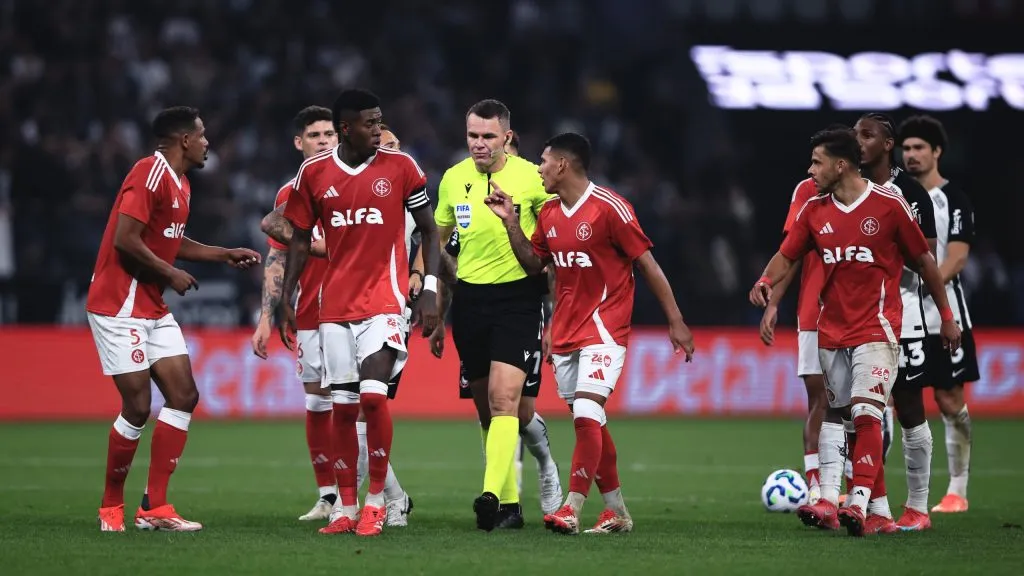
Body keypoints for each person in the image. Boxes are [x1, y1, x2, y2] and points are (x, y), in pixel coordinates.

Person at [750, 126, 960, 537]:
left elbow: (925, 261)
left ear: (840, 164)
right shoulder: (814, 211)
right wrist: (764, 281)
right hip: (832, 329)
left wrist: (947, 316)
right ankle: (833, 499)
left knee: (868, 412)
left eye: (817, 162)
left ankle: (859, 502)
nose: (811, 170)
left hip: (877, 328)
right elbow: (785, 255)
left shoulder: (889, 206)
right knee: (836, 414)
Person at [484, 132, 695, 534]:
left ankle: (572, 506)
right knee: (591, 420)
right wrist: (511, 222)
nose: (539, 168)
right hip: (565, 332)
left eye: (544, 161)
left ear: (562, 164)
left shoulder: (610, 208)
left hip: (605, 327)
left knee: (586, 413)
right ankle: (616, 511)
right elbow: (535, 265)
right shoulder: (547, 213)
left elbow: (647, 264)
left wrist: (675, 319)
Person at [88, 106, 261, 532]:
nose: (207, 144)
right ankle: (111, 506)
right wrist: (169, 273)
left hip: (151, 305)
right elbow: (125, 239)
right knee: (138, 406)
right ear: (184, 139)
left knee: (184, 396)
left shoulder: (181, 183)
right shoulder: (149, 171)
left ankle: (155, 507)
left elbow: (168, 240)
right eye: (202, 137)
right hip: (118, 305)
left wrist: (222, 253)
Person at [277, 89, 440, 537]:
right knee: (343, 408)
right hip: (334, 309)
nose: (378, 129)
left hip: (385, 302)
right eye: (370, 123)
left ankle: (376, 502)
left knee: (373, 398)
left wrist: (429, 288)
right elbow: (297, 237)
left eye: (379, 121)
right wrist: (286, 298)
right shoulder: (313, 173)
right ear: (347, 128)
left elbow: (429, 230)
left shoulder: (402, 168)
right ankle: (345, 508)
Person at [430, 99, 562, 530]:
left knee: (506, 402)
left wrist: (557, 313)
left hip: (519, 301)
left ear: (507, 136)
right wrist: (437, 302)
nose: (479, 144)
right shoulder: (454, 179)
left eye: (488, 136)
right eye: (472, 136)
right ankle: (509, 506)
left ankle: (491, 497)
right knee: (492, 412)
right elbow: (440, 243)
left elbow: (555, 252)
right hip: (470, 303)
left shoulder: (531, 179)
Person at [855, 112, 938, 531]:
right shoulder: (848, 187)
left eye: (867, 135)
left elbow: (927, 258)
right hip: (856, 317)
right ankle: (875, 509)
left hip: (903, 315)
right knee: (860, 412)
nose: (858, 142)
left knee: (908, 410)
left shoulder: (910, 194)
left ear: (888, 144)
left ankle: (919, 508)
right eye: (855, 135)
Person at [899, 114, 978, 514]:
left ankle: (957, 490)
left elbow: (957, 258)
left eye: (919, 149)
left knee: (949, 400)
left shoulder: (954, 199)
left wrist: (927, 283)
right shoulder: (895, 195)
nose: (911, 155)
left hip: (946, 314)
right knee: (902, 401)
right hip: (903, 314)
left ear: (937, 153)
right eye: (906, 148)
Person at [758, 177, 828, 504]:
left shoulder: (883, 194)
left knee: (861, 407)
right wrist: (774, 302)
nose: (813, 169)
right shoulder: (807, 191)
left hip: (869, 313)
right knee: (820, 398)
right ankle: (818, 491)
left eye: (818, 161)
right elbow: (792, 252)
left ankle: (862, 492)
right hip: (814, 310)